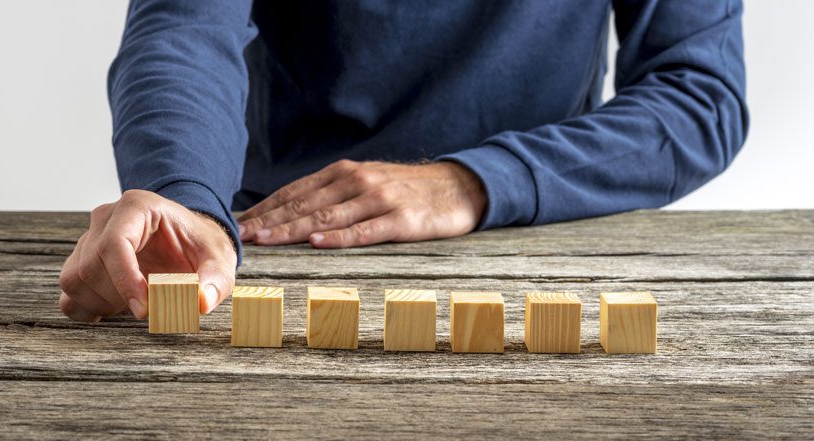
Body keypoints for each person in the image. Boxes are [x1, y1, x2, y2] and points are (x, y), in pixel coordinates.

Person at [59, 0, 748, 323]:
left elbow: (700, 94)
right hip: (282, 252)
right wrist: (184, 195)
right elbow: (185, 26)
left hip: (547, 256)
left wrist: (472, 182)